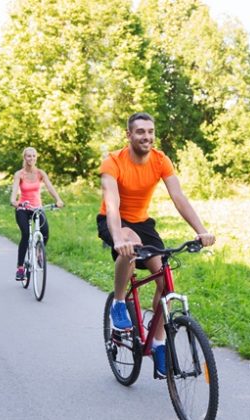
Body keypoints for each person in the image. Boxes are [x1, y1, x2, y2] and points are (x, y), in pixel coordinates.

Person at [97, 112, 215, 378]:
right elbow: (112, 204)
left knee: (164, 278)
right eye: (140, 131)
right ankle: (118, 302)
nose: (146, 136)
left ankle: (159, 342)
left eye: (150, 131)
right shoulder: (113, 162)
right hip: (113, 220)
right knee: (130, 244)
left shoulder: (161, 160)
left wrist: (201, 231)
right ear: (128, 135)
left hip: (143, 223)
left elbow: (179, 197)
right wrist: (117, 237)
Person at [10, 147, 64, 281]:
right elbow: (14, 193)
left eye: (34, 156)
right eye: (29, 156)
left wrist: (58, 199)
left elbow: (50, 187)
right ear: (24, 158)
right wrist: (15, 202)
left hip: (37, 208)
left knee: (45, 232)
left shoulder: (40, 173)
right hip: (23, 208)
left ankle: (39, 253)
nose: (31, 159)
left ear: (36, 158)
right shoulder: (19, 174)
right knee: (26, 234)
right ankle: (20, 268)